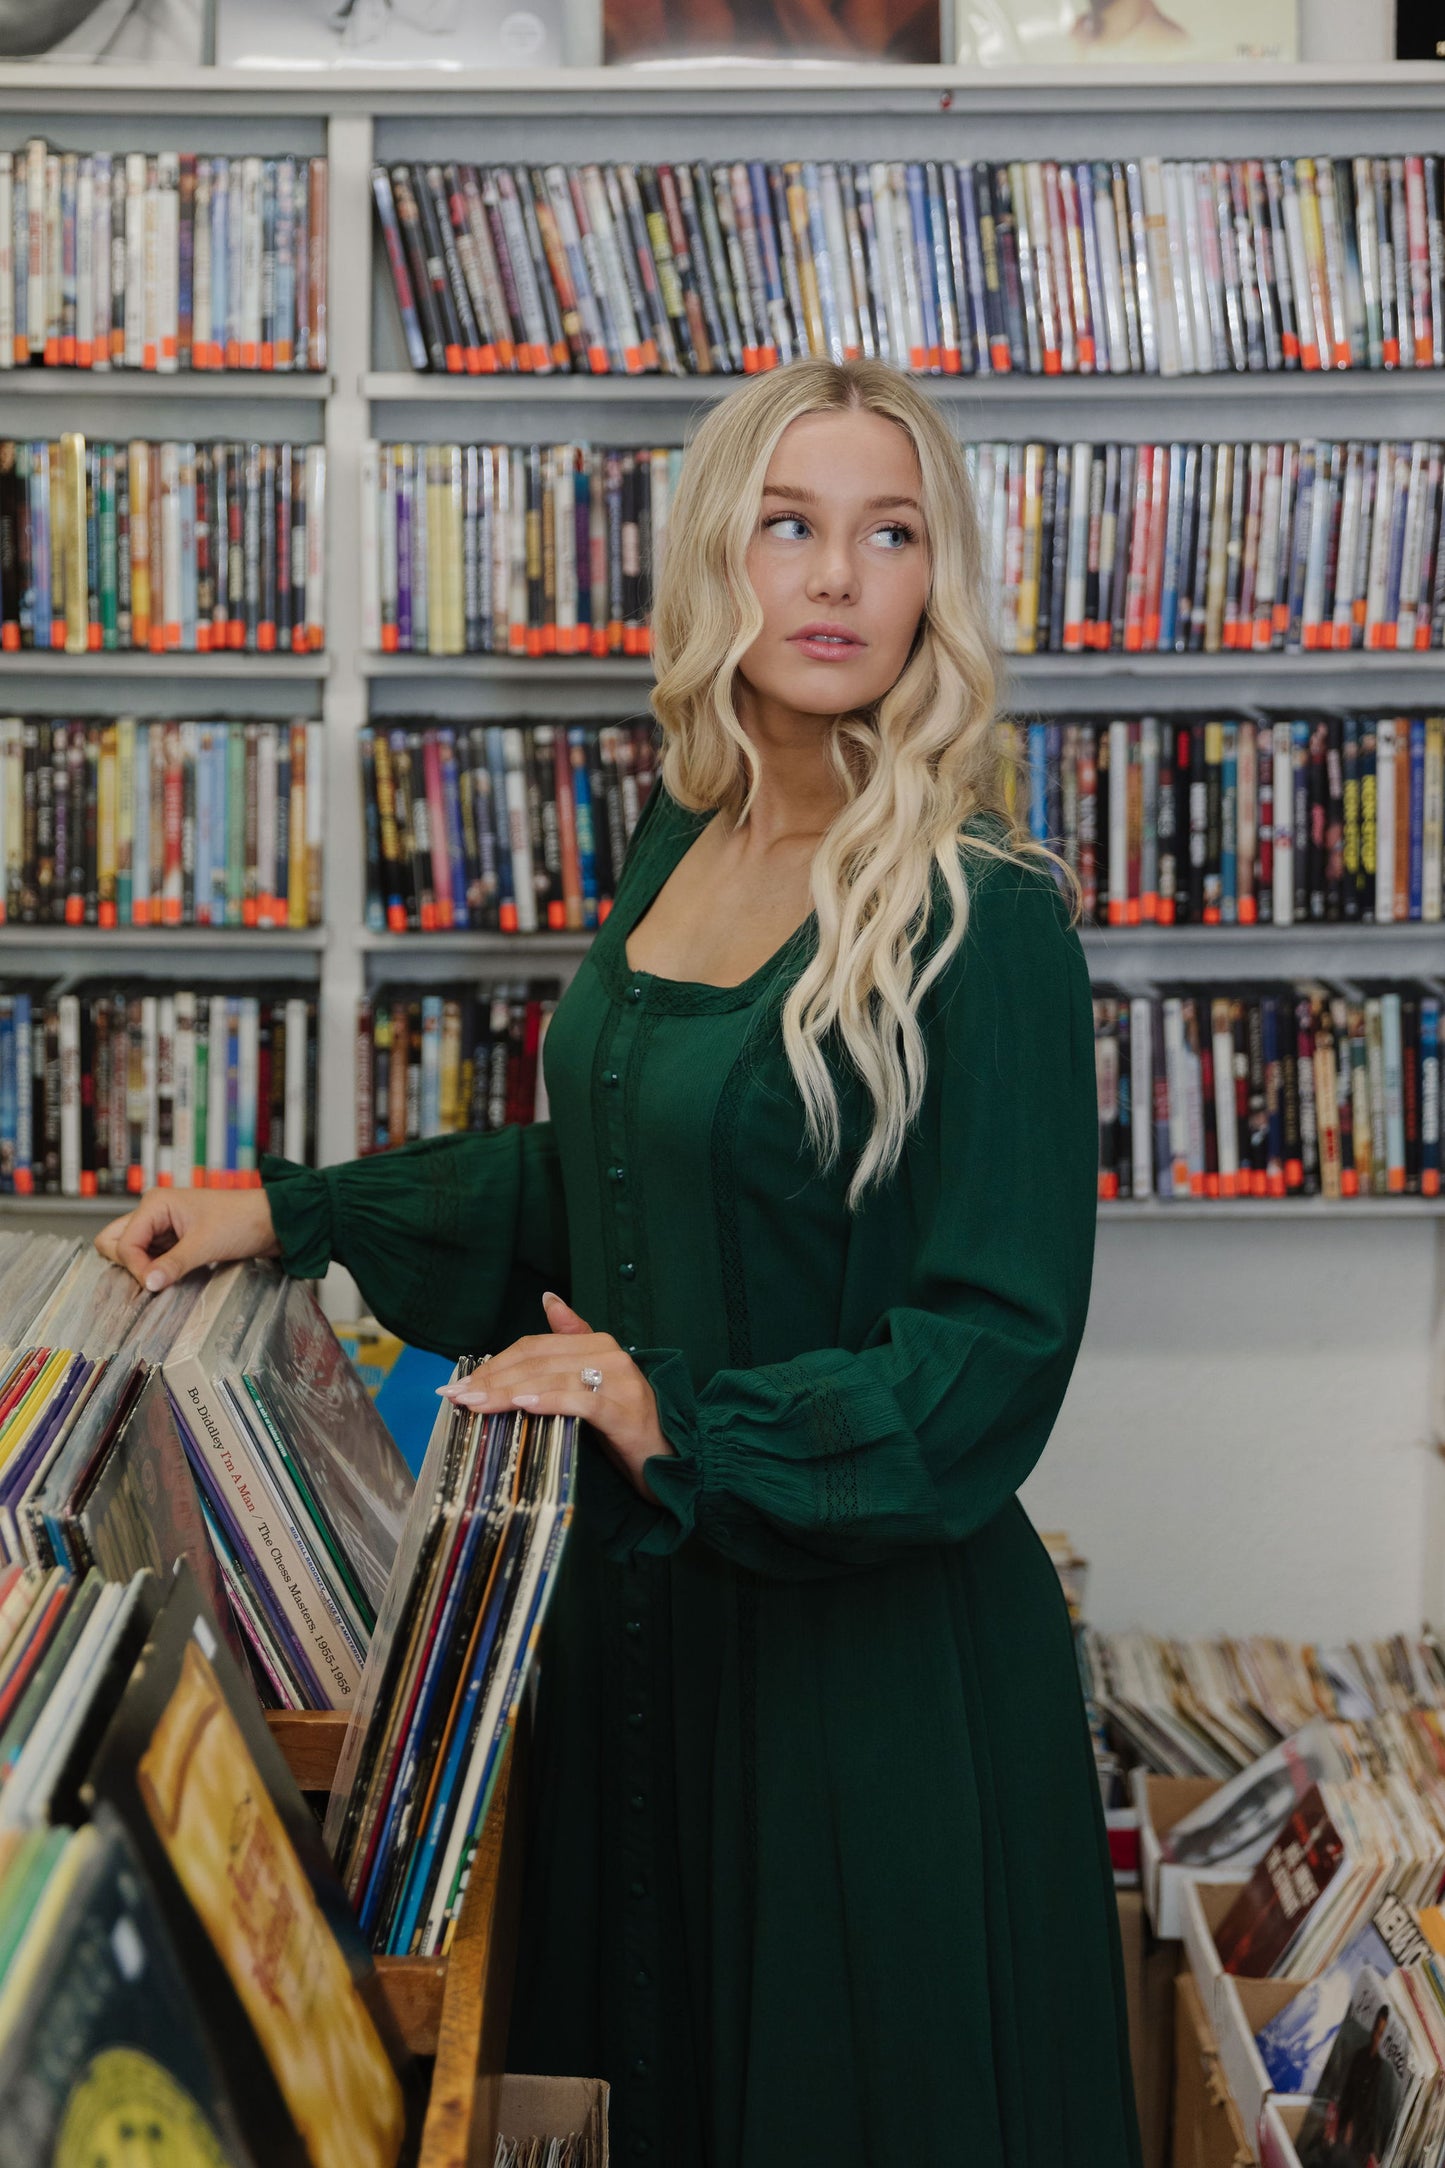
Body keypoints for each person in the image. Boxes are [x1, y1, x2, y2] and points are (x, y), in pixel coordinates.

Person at [99, 357, 1142, 2168]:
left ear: (937, 581)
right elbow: (609, 1178)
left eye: (890, 535)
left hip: (856, 1684)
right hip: (627, 1626)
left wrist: (674, 1420)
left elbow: (991, 1353)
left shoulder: (990, 916)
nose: (837, 577)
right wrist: (295, 1212)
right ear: (717, 557)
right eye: (789, 526)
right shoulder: (685, 835)